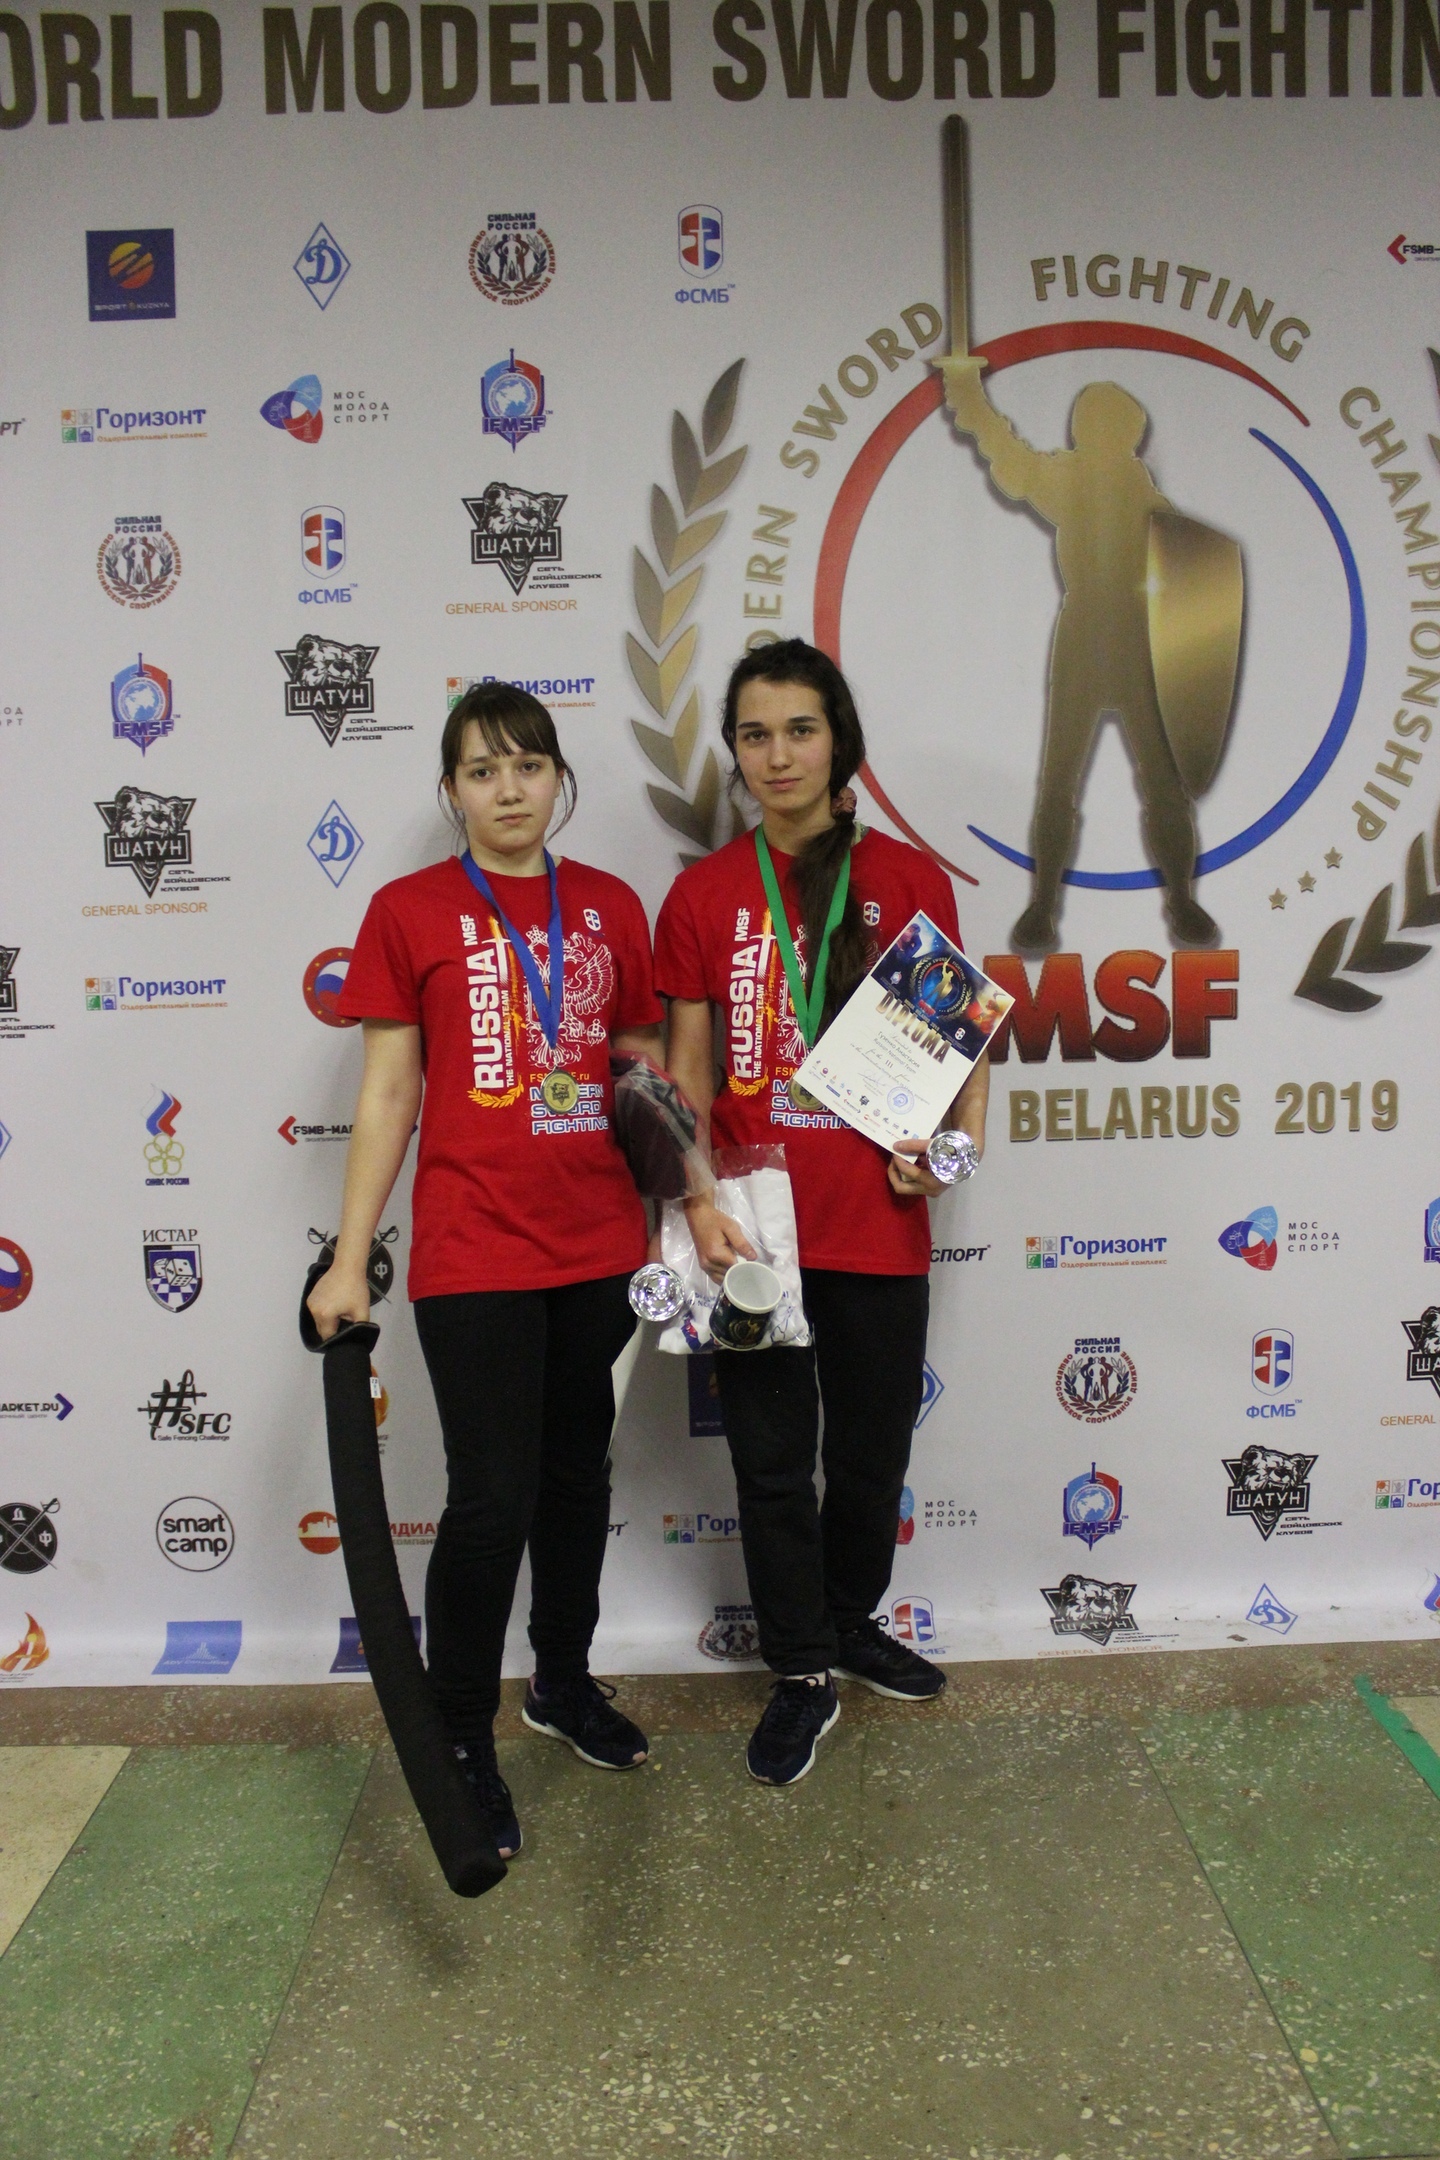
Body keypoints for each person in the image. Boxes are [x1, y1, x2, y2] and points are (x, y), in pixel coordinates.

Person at [306, 683, 662, 1858]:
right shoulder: (408, 911)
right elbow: (389, 1094)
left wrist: (687, 1196)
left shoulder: (609, 906)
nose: (509, 789)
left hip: (600, 1246)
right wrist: (349, 1260)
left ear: (559, 778)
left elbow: (638, 1068)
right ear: (451, 789)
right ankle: (462, 1733)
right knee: (490, 1497)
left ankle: (562, 1681)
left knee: (573, 1481)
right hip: (475, 1248)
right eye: (482, 769)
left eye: (528, 765)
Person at [655, 639, 989, 1788]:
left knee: (870, 1453)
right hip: (753, 1227)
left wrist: (954, 1152)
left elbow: (961, 1047)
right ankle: (801, 1670)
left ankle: (848, 1621)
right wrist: (696, 1201)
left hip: (876, 1218)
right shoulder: (702, 894)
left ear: (838, 739)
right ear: (735, 752)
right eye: (755, 734)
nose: (779, 754)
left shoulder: (910, 879)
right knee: (768, 1462)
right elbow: (685, 1074)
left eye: (800, 729)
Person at [941, 357, 1221, 954]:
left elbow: (1191, 569)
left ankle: (1180, 900)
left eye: (1105, 426)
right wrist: (970, 398)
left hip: (1138, 637)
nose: (1096, 436)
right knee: (1062, 780)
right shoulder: (1073, 480)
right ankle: (1044, 907)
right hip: (1089, 632)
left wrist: (972, 401)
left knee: (1160, 783)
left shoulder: (1143, 495)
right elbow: (1007, 454)